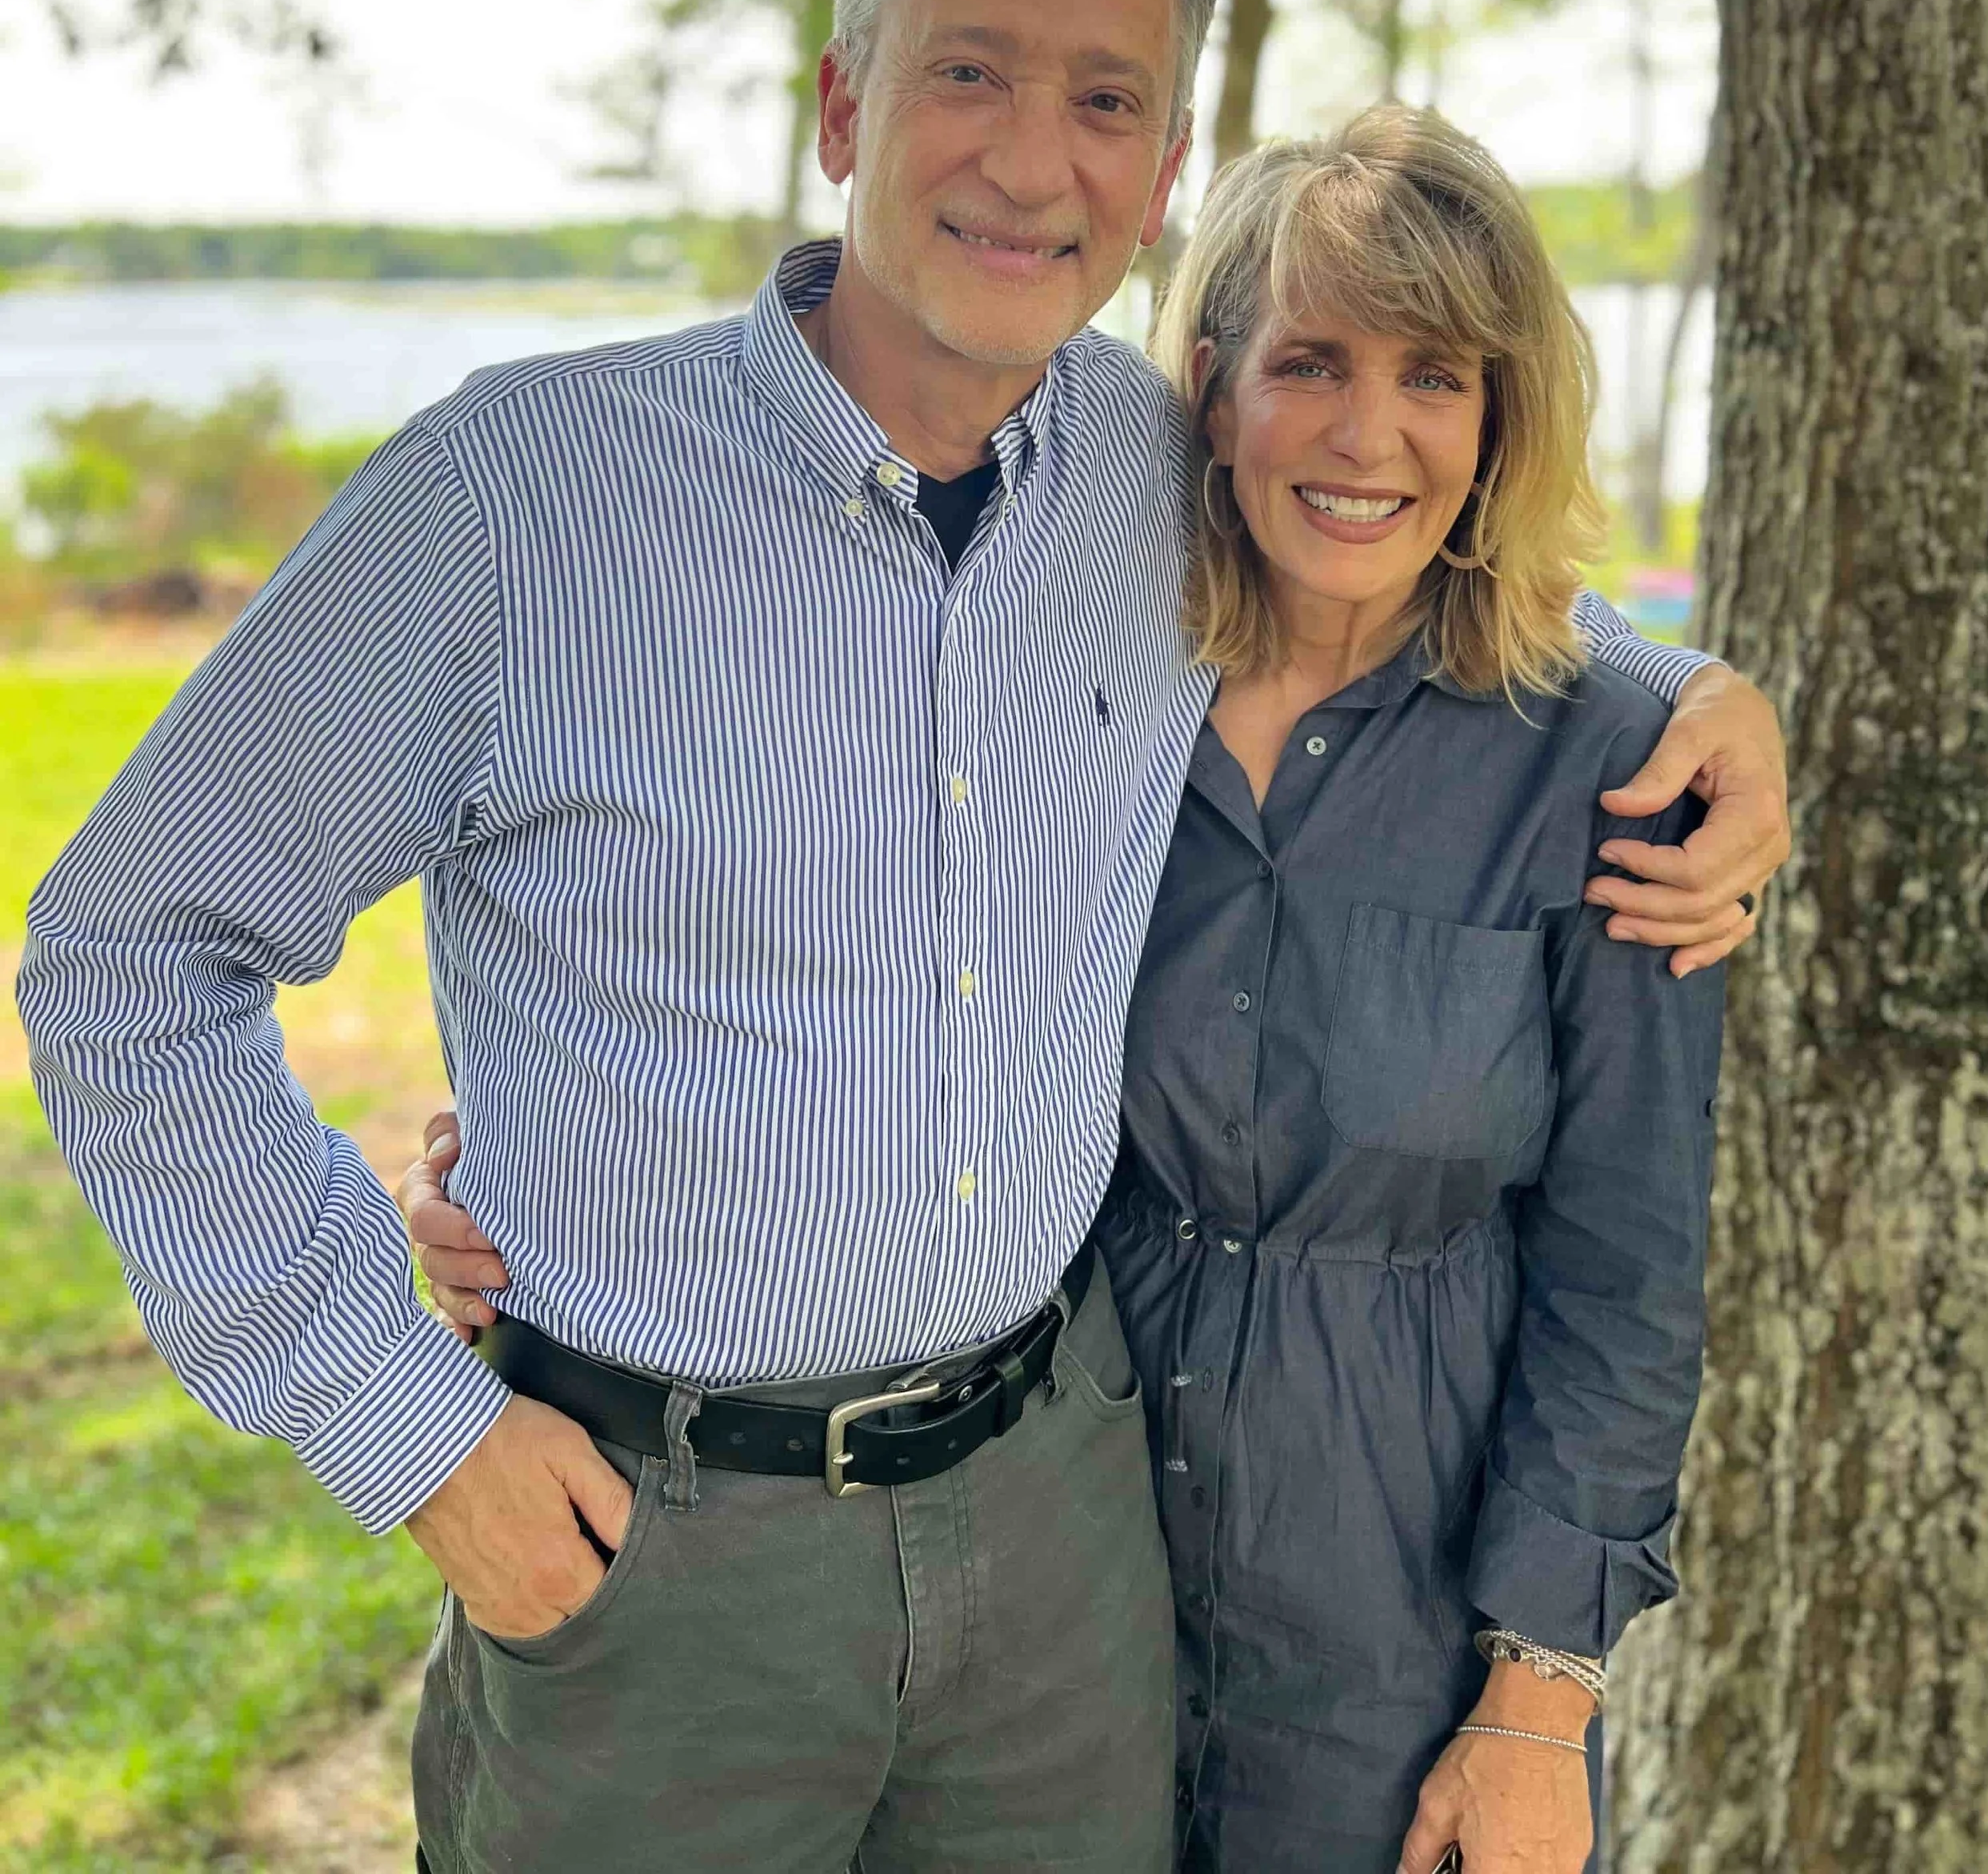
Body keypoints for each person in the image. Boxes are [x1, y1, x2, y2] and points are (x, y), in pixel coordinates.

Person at [19, 0, 1786, 1874]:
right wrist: (401, 1426)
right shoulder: (522, 497)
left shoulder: (1150, 478)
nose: (1032, 160)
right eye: (970, 71)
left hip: (1055, 1539)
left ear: (1158, 173)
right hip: (652, 1555)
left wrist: (1700, 705)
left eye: (1104, 100)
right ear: (846, 103)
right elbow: (129, 947)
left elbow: (1402, 541)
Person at [412, 104, 1738, 1872]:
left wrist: (1533, 1701)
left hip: (1391, 1626)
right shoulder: (1091, 669)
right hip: (1041, 1571)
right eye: (1308, 365)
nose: (1366, 435)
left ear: (1497, 418)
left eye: (1436, 376)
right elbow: (849, 976)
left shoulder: (1614, 769)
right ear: (1207, 383)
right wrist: (532, 1164)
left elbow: (1627, 1275)